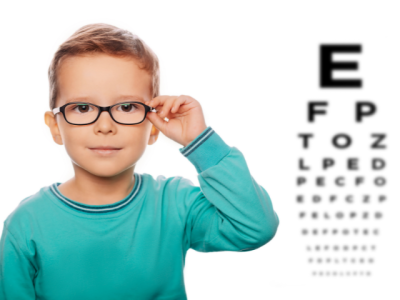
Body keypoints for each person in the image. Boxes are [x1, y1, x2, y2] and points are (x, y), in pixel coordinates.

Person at [0, 23, 279, 300]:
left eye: (127, 107)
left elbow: (256, 228)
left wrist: (200, 142)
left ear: (154, 125)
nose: (105, 126)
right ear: (55, 127)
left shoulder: (174, 204)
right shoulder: (27, 224)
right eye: (83, 108)